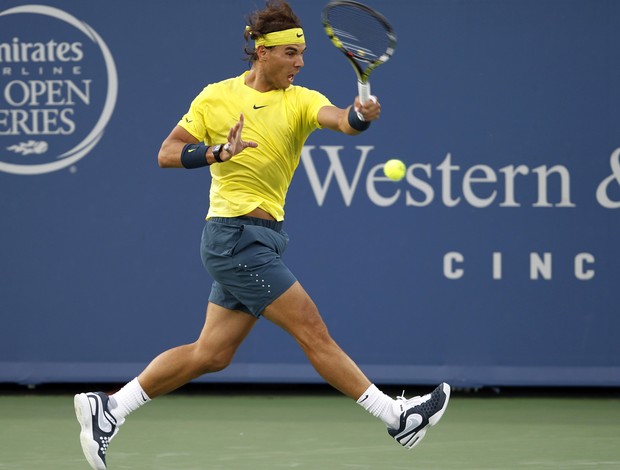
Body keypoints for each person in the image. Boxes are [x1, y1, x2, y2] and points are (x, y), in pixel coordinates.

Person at [73, 1, 450, 468]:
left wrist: (359, 115)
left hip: (261, 238)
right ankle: (396, 416)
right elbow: (167, 153)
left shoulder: (301, 100)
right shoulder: (215, 98)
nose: (300, 62)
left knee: (211, 354)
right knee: (312, 330)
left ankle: (109, 408)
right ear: (261, 51)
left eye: (303, 53)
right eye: (291, 53)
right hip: (234, 239)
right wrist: (216, 152)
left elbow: (342, 120)